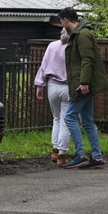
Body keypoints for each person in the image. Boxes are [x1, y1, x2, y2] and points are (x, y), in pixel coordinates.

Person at [59, 8, 107, 170]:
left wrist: (84, 82)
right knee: (87, 121)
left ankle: (80, 154)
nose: (62, 25)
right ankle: (96, 156)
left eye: (61, 21)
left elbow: (87, 59)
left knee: (69, 117)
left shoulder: (82, 35)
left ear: (66, 20)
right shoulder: (81, 33)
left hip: (83, 84)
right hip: (83, 83)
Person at [33, 26, 73, 165]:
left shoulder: (52, 46)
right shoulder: (72, 47)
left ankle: (55, 151)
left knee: (56, 119)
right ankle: (62, 153)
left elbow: (44, 66)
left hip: (52, 86)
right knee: (65, 120)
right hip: (67, 87)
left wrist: (39, 85)